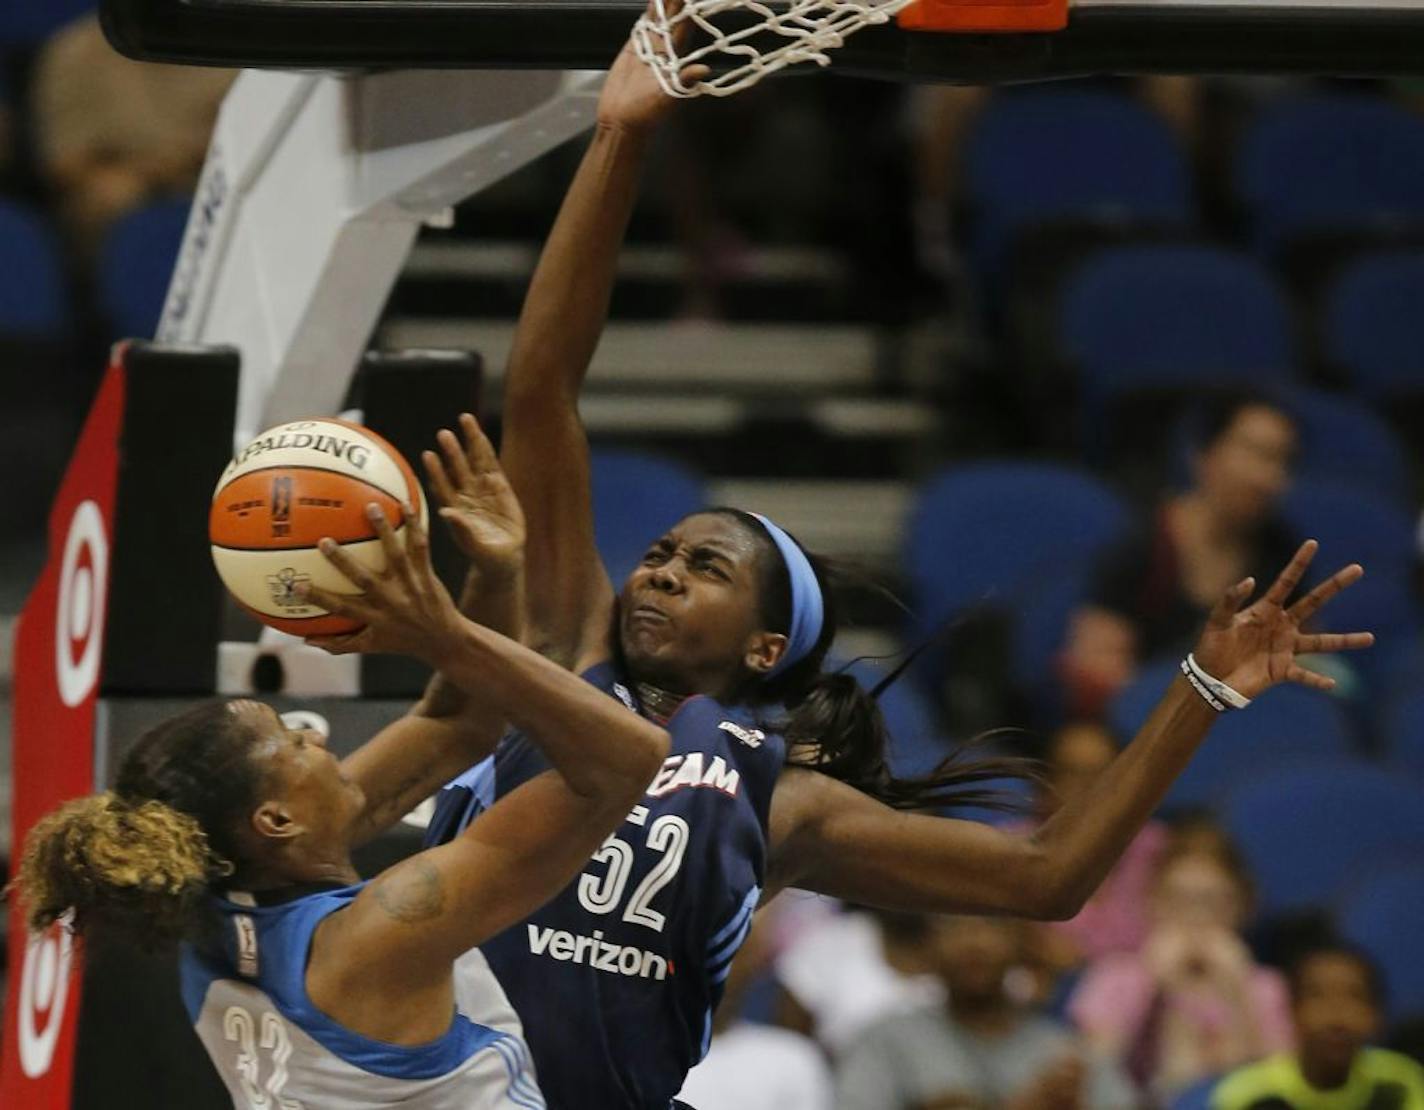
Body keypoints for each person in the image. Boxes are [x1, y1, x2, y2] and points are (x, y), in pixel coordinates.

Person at [423, 20, 1374, 1110]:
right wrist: (619, 136)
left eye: (705, 568)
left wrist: (1198, 691)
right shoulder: (567, 655)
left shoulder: (780, 802)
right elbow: (543, 389)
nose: (661, 571)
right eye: (658, 553)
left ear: (765, 646)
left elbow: (1045, 879)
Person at [13, 417, 669, 1109]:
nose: (319, 741)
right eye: (293, 744)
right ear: (276, 819)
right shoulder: (377, 938)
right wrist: (444, 636)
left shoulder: (207, 897)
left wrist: (495, 574)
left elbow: (454, 725)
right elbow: (627, 760)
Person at [1061, 391, 1300, 718]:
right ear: (1203, 455)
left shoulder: (1285, 554)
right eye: (1254, 453)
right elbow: (1093, 673)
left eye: (1281, 460)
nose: (1267, 477)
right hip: (1140, 721)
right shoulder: (1141, 544)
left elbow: (1303, 659)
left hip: (1237, 720)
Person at [835, 914, 1135, 1110]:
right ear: (927, 944)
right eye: (953, 925)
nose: (974, 942)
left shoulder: (1063, 1053)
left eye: (993, 924)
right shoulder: (886, 1041)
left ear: (1022, 942)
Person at [1070, 842, 1294, 1102]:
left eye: (1211, 902)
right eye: (1178, 900)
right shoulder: (1114, 975)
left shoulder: (1266, 988)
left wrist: (1235, 993)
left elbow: (1274, 1090)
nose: (1195, 916)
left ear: (1241, 907)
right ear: (1152, 902)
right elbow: (1098, 1072)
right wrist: (1155, 987)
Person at [1212, 944, 1424, 1110]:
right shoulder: (1248, 1094)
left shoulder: (1400, 1083)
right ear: (1291, 1011)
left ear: (1377, 1015)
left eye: (1355, 996)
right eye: (1316, 995)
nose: (1336, 1015)